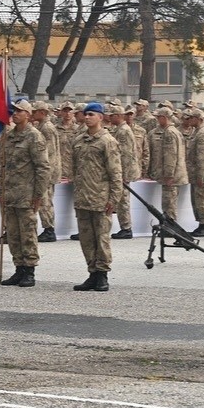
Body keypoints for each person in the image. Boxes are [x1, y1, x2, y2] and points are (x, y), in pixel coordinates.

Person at [0, 100, 51, 287]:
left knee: (28, 234)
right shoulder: (10, 136)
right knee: (12, 235)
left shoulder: (34, 137)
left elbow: (43, 168)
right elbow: (3, 166)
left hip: (27, 194)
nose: (15, 114)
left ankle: (29, 270)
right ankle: (18, 268)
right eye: (14, 111)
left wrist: (38, 195)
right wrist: (1, 190)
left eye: (20, 111)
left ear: (28, 115)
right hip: (11, 194)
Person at [71, 102, 123, 292]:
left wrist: (114, 198)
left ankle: (102, 275)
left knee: (101, 238)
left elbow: (115, 172)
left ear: (101, 117)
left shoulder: (107, 141)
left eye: (91, 114)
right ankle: (92, 273)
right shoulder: (79, 141)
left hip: (101, 198)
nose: (87, 117)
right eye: (85, 114)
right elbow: (75, 169)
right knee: (86, 239)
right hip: (83, 197)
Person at [107, 105, 138, 240]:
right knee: (121, 200)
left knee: (123, 200)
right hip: (121, 171)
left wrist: (123, 174)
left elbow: (125, 154)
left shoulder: (124, 131)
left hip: (123, 172)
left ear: (118, 116)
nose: (109, 117)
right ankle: (124, 227)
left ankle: (126, 228)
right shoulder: (120, 130)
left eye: (112, 115)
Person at [32, 100, 62, 242]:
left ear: (42, 113)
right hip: (48, 169)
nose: (32, 114)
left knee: (45, 200)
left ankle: (49, 229)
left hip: (48, 170)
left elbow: (48, 152)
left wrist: (44, 172)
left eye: (34, 111)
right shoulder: (43, 126)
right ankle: (48, 228)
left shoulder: (47, 128)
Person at [183, 107, 204, 237]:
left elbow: (202, 157)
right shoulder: (197, 132)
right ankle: (201, 224)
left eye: (192, 118)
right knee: (197, 200)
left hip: (201, 173)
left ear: (199, 119)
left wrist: (200, 176)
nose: (189, 120)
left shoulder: (202, 133)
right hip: (196, 173)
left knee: (202, 199)